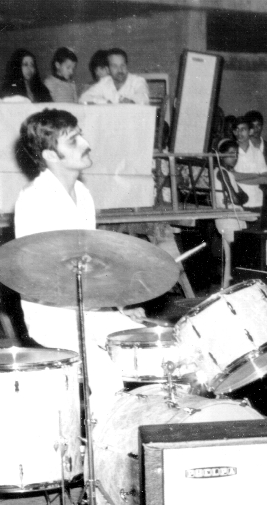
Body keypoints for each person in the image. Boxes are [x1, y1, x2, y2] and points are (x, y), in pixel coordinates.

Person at [14, 108, 146, 417]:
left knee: (146, 344)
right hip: (53, 314)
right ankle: (103, 453)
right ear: (50, 154)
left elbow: (90, 263)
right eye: (73, 141)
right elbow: (43, 274)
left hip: (89, 307)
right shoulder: (35, 200)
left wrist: (119, 305)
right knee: (107, 377)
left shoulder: (83, 193)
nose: (86, 143)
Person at [212, 138, 249, 288]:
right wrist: (238, 197)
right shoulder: (222, 172)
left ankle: (227, 289)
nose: (235, 158)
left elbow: (244, 197)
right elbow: (237, 198)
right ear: (221, 155)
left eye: (236, 154)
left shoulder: (223, 172)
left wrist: (239, 197)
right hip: (230, 220)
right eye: (231, 154)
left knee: (229, 261)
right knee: (237, 260)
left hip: (225, 219)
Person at [231, 116, 267, 225]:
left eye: (243, 129)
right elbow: (231, 176)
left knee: (254, 239)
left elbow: (265, 179)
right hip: (237, 203)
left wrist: (239, 177)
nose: (239, 133)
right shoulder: (231, 152)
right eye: (237, 130)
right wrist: (255, 176)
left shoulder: (257, 152)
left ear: (250, 131)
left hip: (255, 202)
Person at [79, 48, 149, 105]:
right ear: (108, 69)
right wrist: (105, 102)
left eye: (122, 65)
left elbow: (144, 98)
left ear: (126, 66)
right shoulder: (105, 82)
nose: (120, 70)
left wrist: (132, 101)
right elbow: (83, 98)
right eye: (115, 66)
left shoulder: (137, 81)